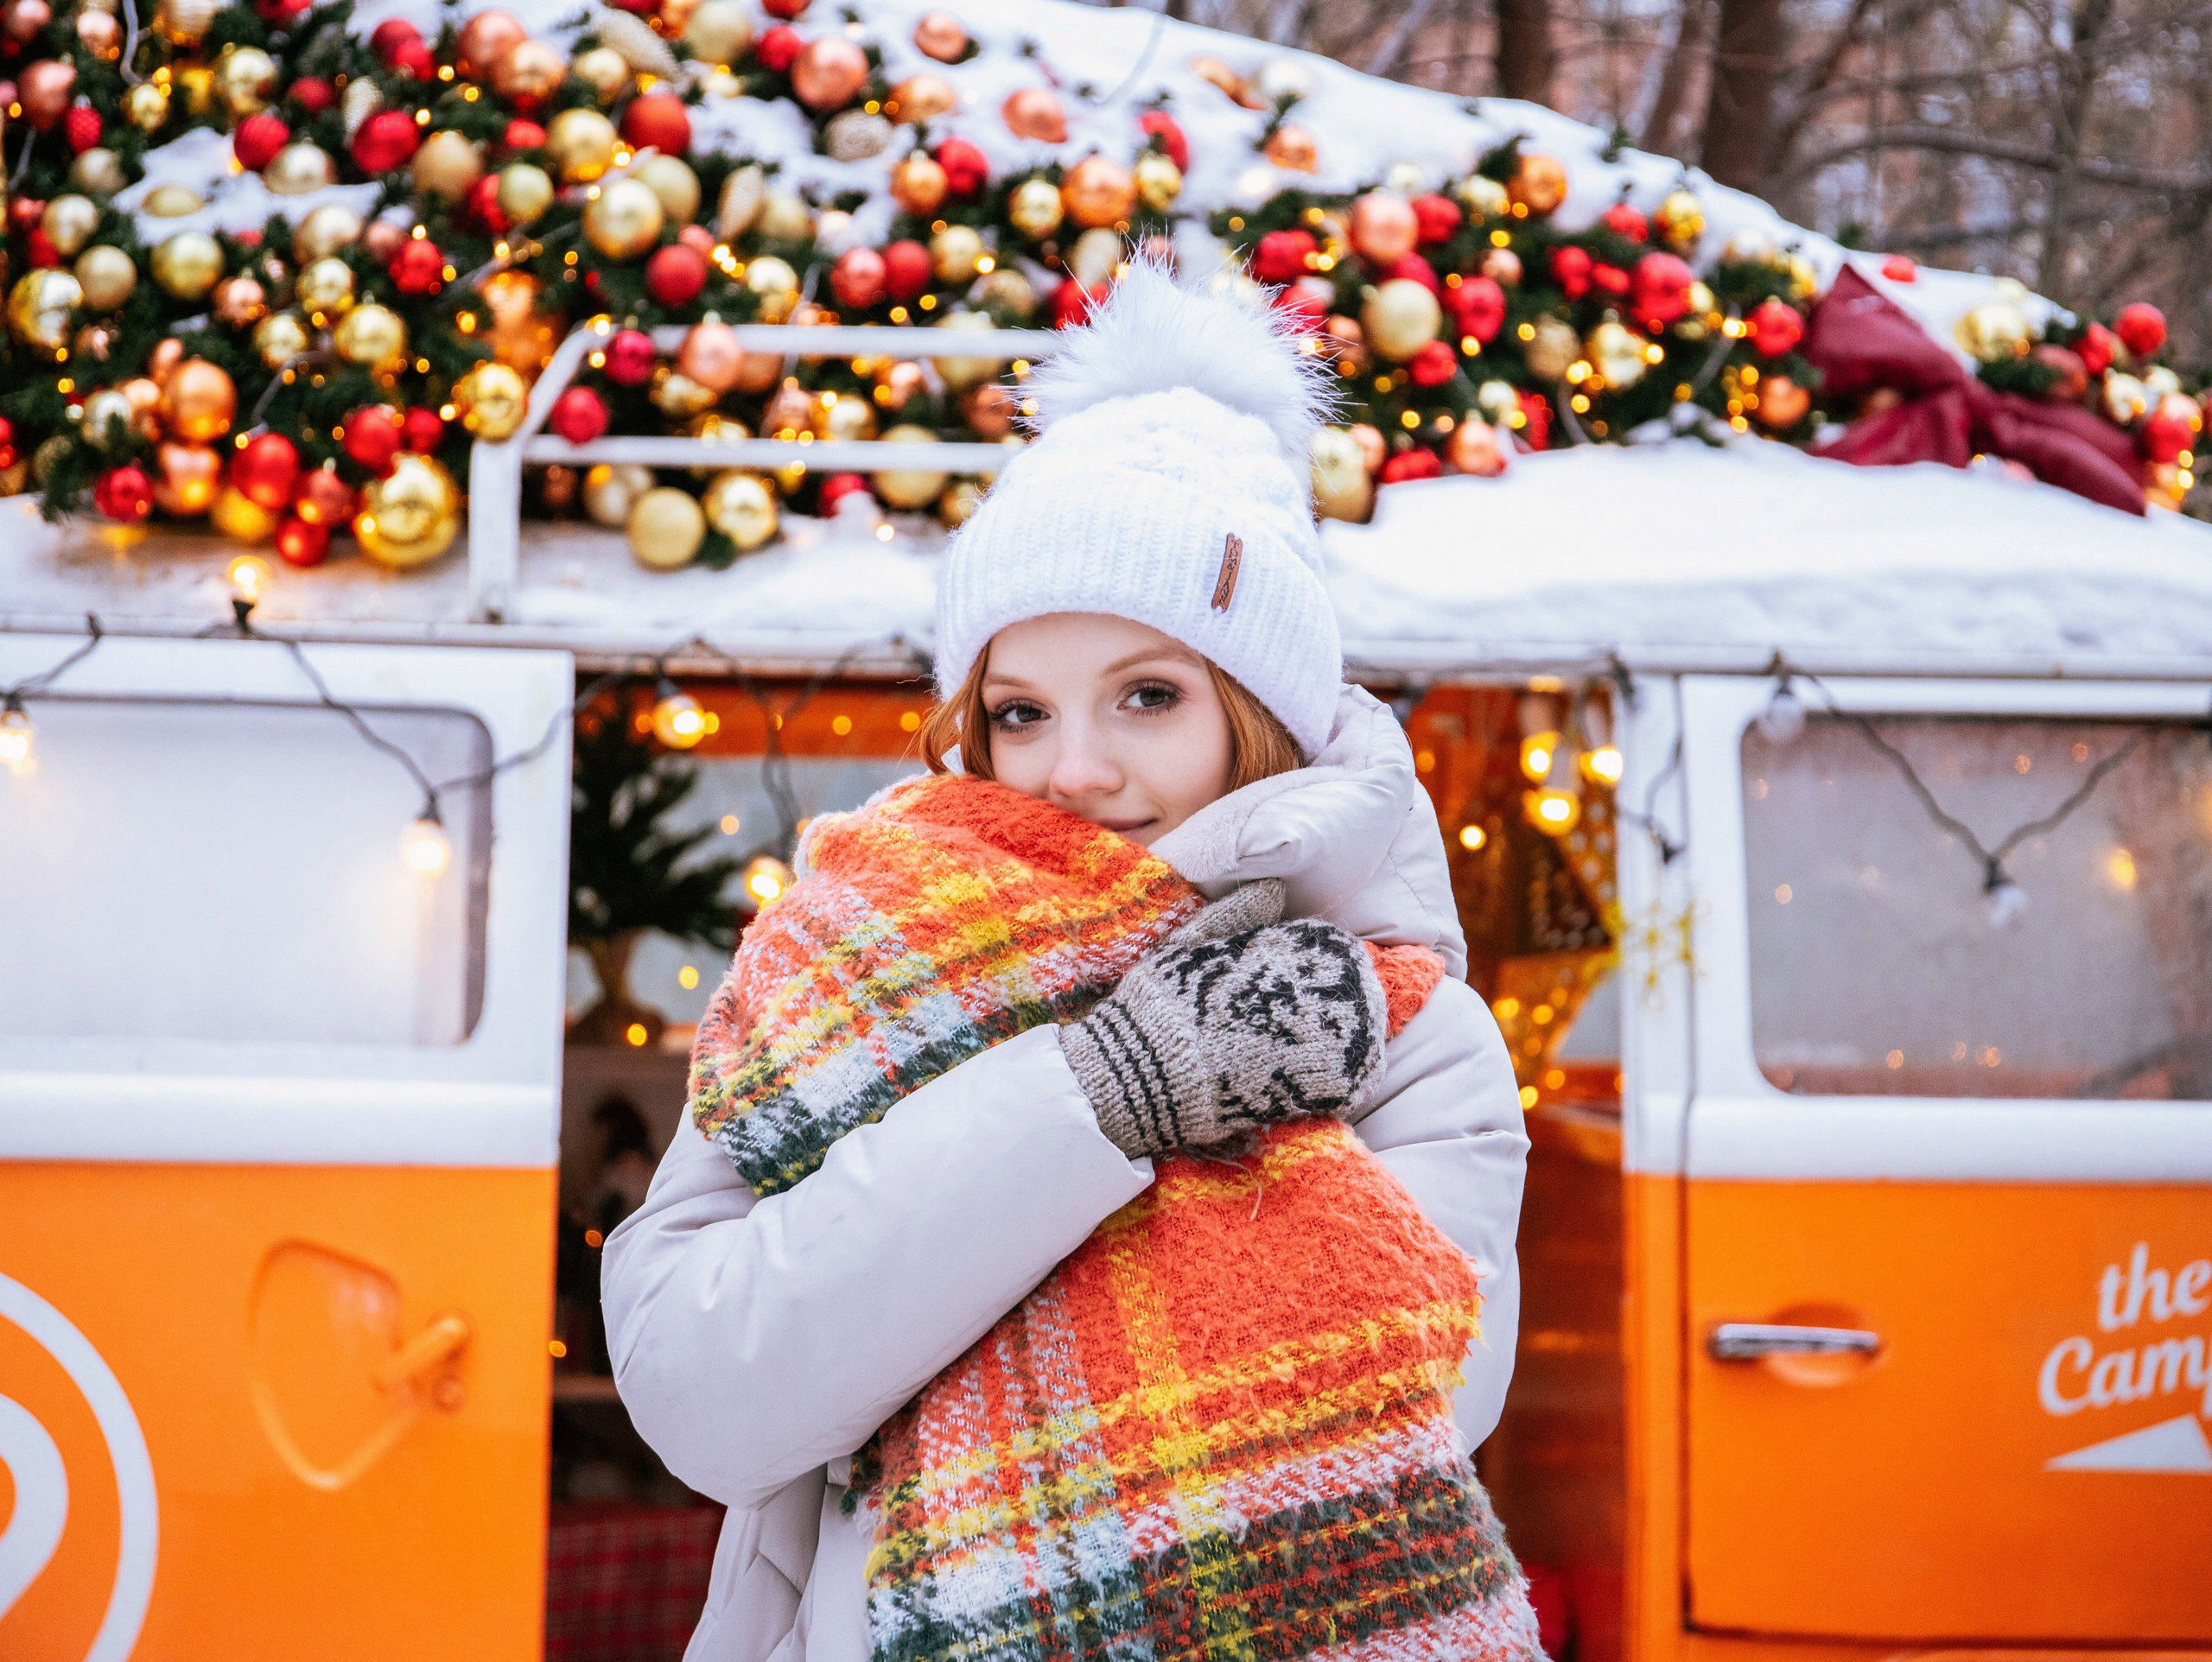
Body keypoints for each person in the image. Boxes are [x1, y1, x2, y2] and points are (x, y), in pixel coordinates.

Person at [601, 258, 1529, 1662]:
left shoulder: (1394, 1026)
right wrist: (1099, 1096)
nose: (1074, 768)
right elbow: (709, 1395)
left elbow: (1378, 1414)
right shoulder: (847, 965)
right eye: (1020, 710)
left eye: (1148, 696)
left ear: (1258, 717)